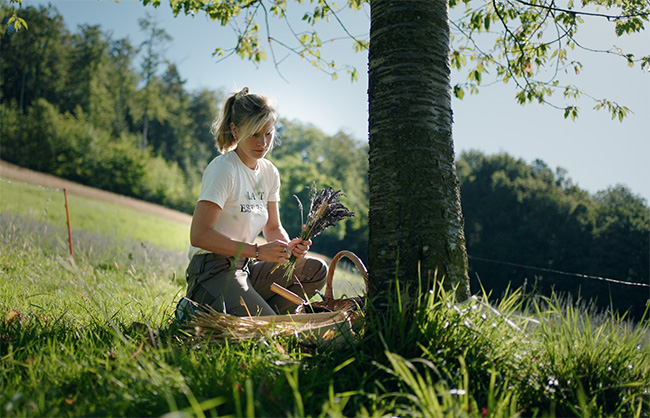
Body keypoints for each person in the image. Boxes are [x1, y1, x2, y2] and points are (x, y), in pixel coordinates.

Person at [176, 87, 327, 318]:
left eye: (268, 134)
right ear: (235, 131)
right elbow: (200, 235)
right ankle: (200, 311)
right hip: (213, 271)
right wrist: (257, 251)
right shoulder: (223, 169)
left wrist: (289, 250)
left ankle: (259, 317)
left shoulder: (269, 172)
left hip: (246, 268)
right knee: (269, 328)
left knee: (316, 271)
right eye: (255, 134)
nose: (263, 143)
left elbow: (273, 228)